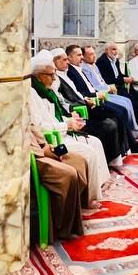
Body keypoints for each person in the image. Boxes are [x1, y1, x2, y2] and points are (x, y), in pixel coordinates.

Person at [28, 56, 107, 201]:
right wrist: (67, 125)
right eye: (51, 75)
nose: (54, 78)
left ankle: (98, 187)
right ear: (39, 76)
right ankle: (89, 197)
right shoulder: (32, 94)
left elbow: (52, 117)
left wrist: (69, 121)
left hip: (60, 131)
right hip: (51, 139)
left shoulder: (47, 92)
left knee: (96, 142)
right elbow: (40, 127)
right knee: (89, 152)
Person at [53, 48, 138, 160]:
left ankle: (127, 146)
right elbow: (69, 99)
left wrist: (92, 96)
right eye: (78, 55)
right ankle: (120, 152)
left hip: (91, 100)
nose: (82, 58)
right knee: (114, 118)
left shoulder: (67, 73)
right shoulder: (66, 74)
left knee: (123, 107)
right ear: (56, 61)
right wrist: (91, 98)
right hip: (84, 106)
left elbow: (79, 92)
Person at [27, 122, 90, 240]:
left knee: (80, 161)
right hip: (33, 158)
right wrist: (42, 152)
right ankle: (63, 228)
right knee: (69, 174)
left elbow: (31, 125)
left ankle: (75, 212)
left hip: (41, 148)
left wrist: (46, 145)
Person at [77, 44, 138, 135]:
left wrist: (115, 84)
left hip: (109, 89)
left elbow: (103, 81)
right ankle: (132, 130)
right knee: (124, 104)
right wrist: (109, 87)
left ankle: (136, 127)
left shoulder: (94, 65)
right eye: (91, 54)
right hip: (101, 94)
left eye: (94, 53)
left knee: (129, 100)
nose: (94, 56)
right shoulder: (90, 66)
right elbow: (95, 86)